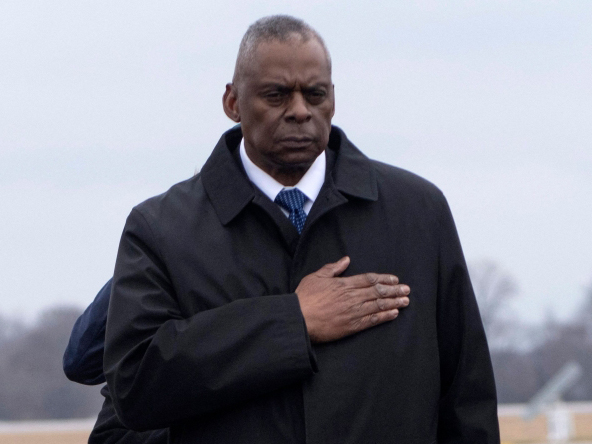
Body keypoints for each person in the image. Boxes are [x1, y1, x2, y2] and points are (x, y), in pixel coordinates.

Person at [103, 15, 500, 443]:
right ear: (232, 102)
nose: (299, 111)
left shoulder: (419, 212)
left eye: (315, 94)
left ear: (333, 99)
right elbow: (134, 388)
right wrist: (294, 321)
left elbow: (467, 399)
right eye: (276, 95)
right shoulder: (161, 229)